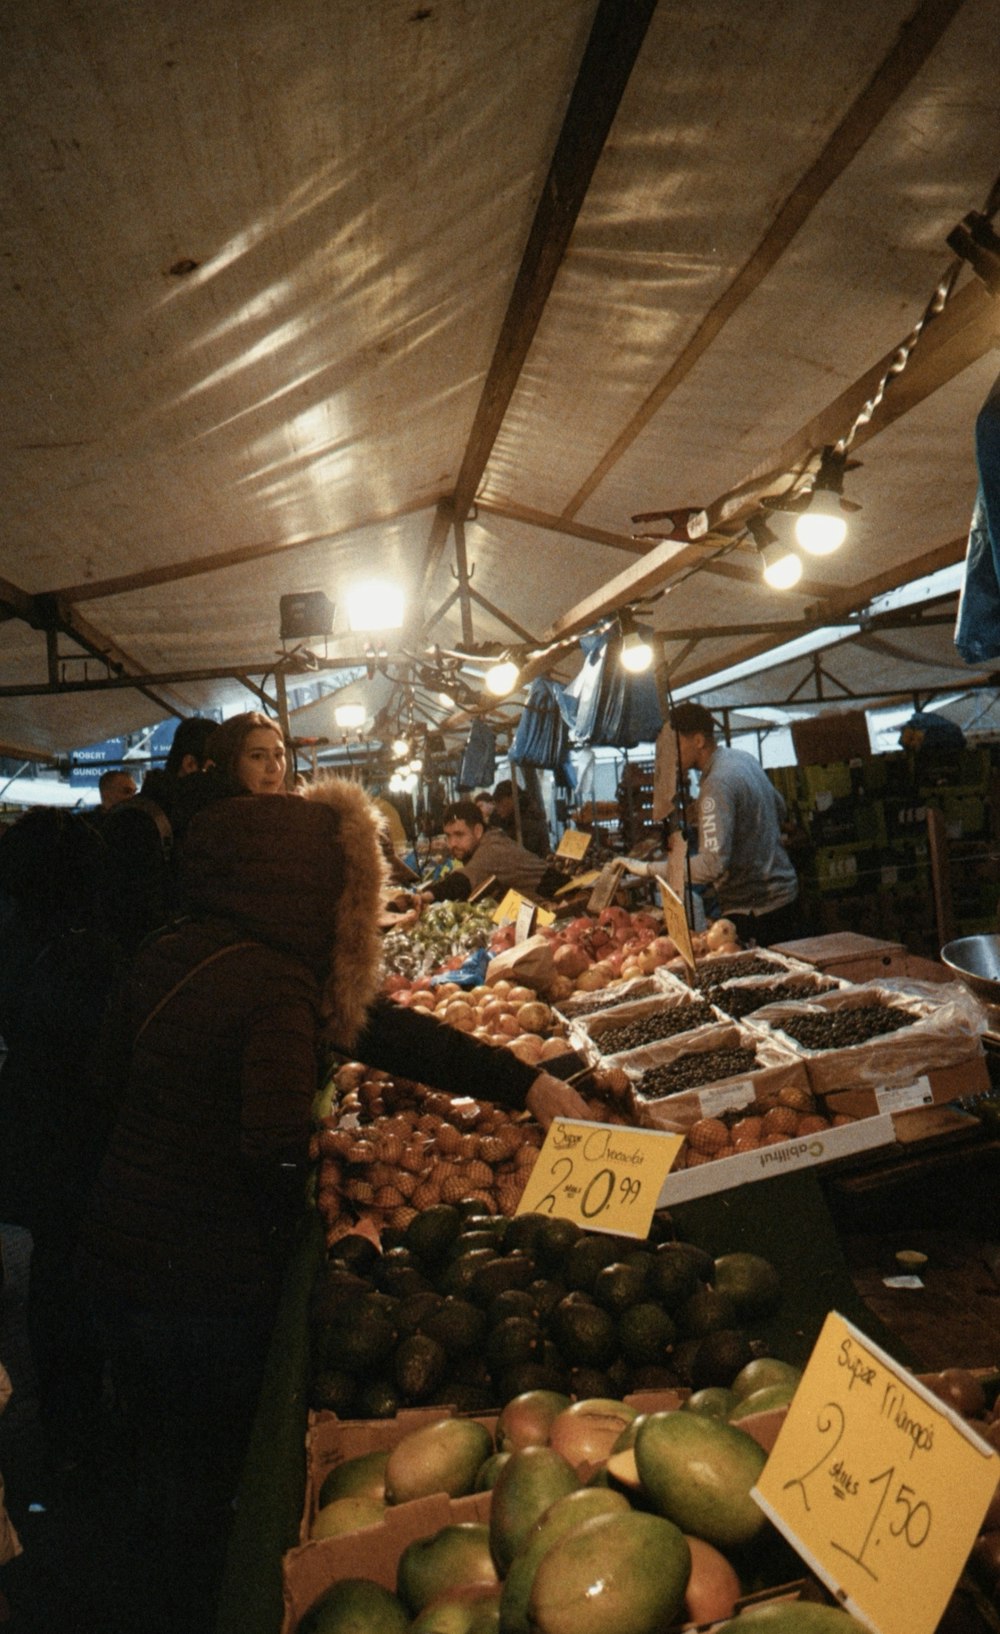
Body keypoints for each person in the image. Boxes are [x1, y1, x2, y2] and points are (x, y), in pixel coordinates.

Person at [624, 703, 802, 946]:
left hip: (755, 911)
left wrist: (648, 870)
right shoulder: (742, 759)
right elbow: (779, 808)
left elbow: (711, 865)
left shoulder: (716, 784)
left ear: (698, 740)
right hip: (786, 899)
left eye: (675, 746)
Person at [491, 778, 551, 857]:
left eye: (500, 802)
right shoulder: (502, 821)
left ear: (512, 797)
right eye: (496, 804)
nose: (498, 808)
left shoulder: (529, 820)